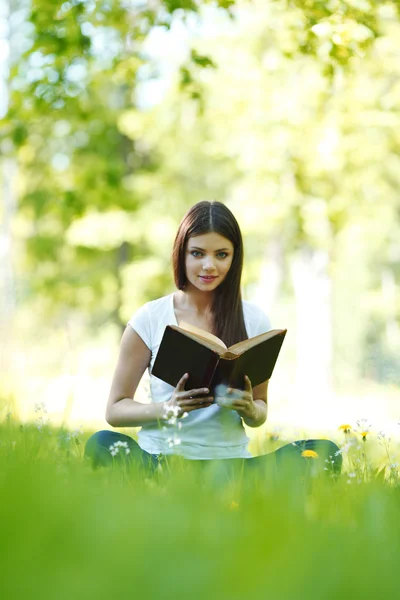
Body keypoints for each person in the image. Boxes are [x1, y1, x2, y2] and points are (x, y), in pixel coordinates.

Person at [85, 201, 342, 481]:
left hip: (232, 466)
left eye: (221, 254)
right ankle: (174, 484)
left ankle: (221, 488)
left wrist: (250, 410)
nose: (209, 265)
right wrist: (168, 409)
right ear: (181, 254)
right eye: (197, 253)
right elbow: (115, 409)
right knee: (100, 444)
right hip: (162, 461)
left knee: (326, 452)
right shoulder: (150, 317)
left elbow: (260, 410)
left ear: (235, 258)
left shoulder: (254, 320)